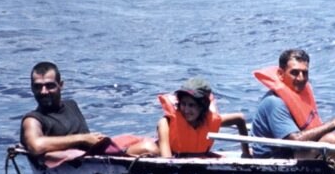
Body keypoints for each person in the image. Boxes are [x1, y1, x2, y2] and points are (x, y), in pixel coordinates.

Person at [20, 62, 156, 157]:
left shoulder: (71, 105)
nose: (44, 91)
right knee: (149, 148)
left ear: (61, 85)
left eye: (50, 86)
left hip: (94, 153)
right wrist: (82, 139)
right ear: (32, 88)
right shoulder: (33, 120)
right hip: (82, 162)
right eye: (38, 87)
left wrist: (91, 140)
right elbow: (36, 146)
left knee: (157, 142)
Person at [250, 49, 335, 158]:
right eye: (295, 73)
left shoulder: (299, 95)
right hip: (273, 160)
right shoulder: (274, 102)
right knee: (333, 140)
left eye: (305, 73)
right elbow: (294, 141)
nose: (301, 78)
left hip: (292, 152)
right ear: (281, 74)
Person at [157, 77, 251, 158]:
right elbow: (167, 162)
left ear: (202, 107)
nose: (186, 110)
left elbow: (239, 119)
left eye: (191, 105)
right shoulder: (165, 124)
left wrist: (246, 153)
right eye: (183, 104)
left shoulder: (210, 120)